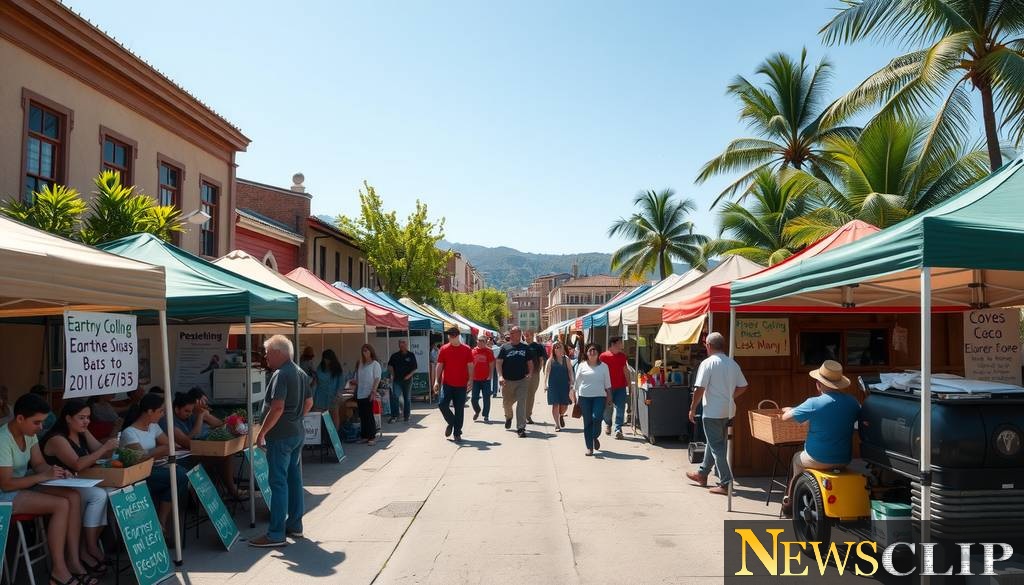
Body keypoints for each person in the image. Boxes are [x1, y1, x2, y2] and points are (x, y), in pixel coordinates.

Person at [0, 394, 100, 585]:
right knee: (61, 504)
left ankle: (74, 561)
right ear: (20, 418)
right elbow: (5, 484)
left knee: (73, 496)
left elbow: (38, 464)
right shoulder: (3, 440)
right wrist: (42, 476)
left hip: (23, 485)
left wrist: (57, 472)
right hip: (4, 495)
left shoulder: (28, 435)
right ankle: (59, 570)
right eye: (36, 422)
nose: (41, 428)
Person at [41, 399, 119, 575]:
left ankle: (85, 546)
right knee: (98, 495)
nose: (86, 421)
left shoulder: (82, 432)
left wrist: (103, 441)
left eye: (88, 417)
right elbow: (77, 464)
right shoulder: (57, 439)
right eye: (81, 417)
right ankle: (89, 547)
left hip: (79, 483)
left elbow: (102, 451)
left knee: (110, 492)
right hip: (58, 486)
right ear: (68, 418)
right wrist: (103, 448)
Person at [251, 335, 313, 548]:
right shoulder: (301, 372)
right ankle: (295, 525)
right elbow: (309, 402)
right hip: (296, 433)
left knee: (277, 482)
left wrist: (261, 433)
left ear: (279, 352)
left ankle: (276, 533)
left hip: (281, 436)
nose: (266, 358)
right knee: (294, 479)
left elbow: (277, 407)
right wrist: (296, 419)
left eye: (268, 353)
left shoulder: (281, 374)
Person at [780, 361, 861, 517]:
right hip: (845, 459)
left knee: (796, 458)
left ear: (818, 384)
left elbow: (785, 417)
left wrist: (791, 409)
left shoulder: (814, 403)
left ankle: (791, 499)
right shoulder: (853, 402)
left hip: (817, 458)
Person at [686, 332, 749, 495]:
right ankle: (702, 473)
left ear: (708, 346)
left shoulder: (707, 363)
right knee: (713, 443)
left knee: (716, 447)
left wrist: (693, 408)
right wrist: (729, 397)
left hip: (713, 411)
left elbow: (699, 388)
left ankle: (726, 482)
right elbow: (743, 386)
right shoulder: (732, 364)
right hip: (728, 410)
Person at [120, 393, 189, 533]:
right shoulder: (130, 432)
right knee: (180, 476)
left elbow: (170, 445)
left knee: (180, 477)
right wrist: (159, 450)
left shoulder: (153, 426)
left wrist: (161, 450)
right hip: (138, 473)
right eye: (160, 411)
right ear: (150, 411)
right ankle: (161, 522)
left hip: (154, 468)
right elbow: (140, 458)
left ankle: (161, 522)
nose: (162, 415)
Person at [163, 392, 246, 501]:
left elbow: (220, 424)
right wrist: (200, 417)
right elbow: (189, 442)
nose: (189, 414)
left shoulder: (190, 416)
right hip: (180, 459)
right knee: (223, 456)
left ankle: (230, 490)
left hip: (195, 453)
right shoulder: (169, 422)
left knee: (226, 454)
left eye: (191, 411)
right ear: (176, 409)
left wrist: (205, 414)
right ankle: (231, 490)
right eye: (186, 411)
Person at [434, 327, 474, 442]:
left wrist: (471, 380)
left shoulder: (466, 349)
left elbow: (470, 365)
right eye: (449, 336)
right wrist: (436, 381)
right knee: (442, 404)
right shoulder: (444, 349)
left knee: (459, 409)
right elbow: (439, 365)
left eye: (452, 336)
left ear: (457, 336)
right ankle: (451, 422)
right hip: (447, 383)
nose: (450, 337)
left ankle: (457, 433)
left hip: (461, 384)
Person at [572, 344, 612, 456]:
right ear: (587, 353)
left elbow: (608, 384)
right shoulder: (582, 366)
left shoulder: (604, 366)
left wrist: (609, 396)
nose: (593, 352)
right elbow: (577, 383)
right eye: (590, 350)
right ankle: (589, 447)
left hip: (599, 397)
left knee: (596, 417)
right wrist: (575, 396)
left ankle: (594, 436)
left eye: (595, 350)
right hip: (584, 397)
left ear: (598, 352)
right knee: (587, 422)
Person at [497, 327, 534, 438]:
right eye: (510, 333)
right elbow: (498, 362)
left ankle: (521, 427)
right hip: (507, 381)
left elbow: (530, 362)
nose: (511, 335)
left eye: (513, 333)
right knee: (507, 403)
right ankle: (509, 417)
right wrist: (500, 376)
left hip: (522, 380)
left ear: (519, 334)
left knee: (521, 403)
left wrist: (530, 373)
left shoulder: (525, 348)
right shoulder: (505, 347)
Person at [350, 344, 382, 446]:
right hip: (360, 393)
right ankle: (364, 436)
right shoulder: (360, 364)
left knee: (369, 416)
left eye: (366, 351)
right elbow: (358, 379)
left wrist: (373, 391)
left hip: (369, 392)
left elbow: (377, 378)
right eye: (363, 351)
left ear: (371, 351)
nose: (365, 353)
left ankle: (372, 436)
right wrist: (353, 382)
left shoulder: (375, 364)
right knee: (362, 416)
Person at [600, 336, 630, 439]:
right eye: (620, 343)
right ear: (613, 344)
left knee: (621, 408)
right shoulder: (603, 356)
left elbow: (625, 370)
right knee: (607, 409)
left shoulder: (622, 356)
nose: (622, 345)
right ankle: (608, 423)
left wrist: (629, 384)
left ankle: (618, 429)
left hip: (621, 387)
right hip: (607, 388)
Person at [544, 341, 574, 431]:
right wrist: (545, 384)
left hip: (565, 385)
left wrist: (572, 381)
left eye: (560, 347)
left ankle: (561, 415)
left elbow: (570, 371)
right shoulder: (550, 360)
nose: (558, 349)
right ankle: (557, 424)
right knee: (555, 405)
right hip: (553, 386)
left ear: (563, 349)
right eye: (556, 347)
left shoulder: (566, 359)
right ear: (553, 349)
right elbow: (546, 373)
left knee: (564, 405)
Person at [387, 340, 418, 424]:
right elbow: (390, 365)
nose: (402, 346)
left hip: (407, 380)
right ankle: (394, 416)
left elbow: (415, 368)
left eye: (403, 344)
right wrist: (392, 374)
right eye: (400, 345)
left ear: (406, 345)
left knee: (407, 398)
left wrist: (409, 375)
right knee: (395, 396)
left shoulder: (411, 355)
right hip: (397, 380)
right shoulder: (395, 355)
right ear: (399, 346)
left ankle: (406, 416)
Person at [314, 349, 344, 429]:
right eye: (325, 359)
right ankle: (322, 436)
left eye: (328, 359)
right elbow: (316, 381)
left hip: (333, 396)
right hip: (320, 396)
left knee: (334, 416)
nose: (326, 361)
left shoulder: (337, 369)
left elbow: (341, 382)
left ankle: (335, 438)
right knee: (319, 417)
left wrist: (338, 393)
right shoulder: (320, 368)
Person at [470, 334, 496, 422]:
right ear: (477, 341)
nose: (480, 343)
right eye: (479, 341)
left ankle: (486, 415)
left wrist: (490, 375)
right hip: (475, 379)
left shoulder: (489, 351)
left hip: (486, 379)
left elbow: (492, 364)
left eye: (483, 341)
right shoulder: (473, 351)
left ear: (485, 342)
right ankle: (477, 410)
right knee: (474, 398)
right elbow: (470, 365)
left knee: (486, 398)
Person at [524, 331, 546, 424]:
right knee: (522, 395)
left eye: (528, 335)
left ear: (532, 336)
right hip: (522, 374)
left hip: (534, 373)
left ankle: (528, 415)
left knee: (530, 395)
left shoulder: (538, 346)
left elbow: (541, 359)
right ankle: (522, 414)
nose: (526, 337)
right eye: (525, 335)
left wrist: (539, 369)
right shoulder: (522, 346)